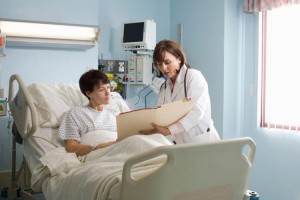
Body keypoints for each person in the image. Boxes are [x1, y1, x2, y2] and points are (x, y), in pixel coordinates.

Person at [140, 39, 220, 144]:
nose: (163, 68)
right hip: (180, 143)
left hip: (201, 140)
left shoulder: (193, 76)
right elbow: (160, 115)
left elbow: (197, 112)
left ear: (178, 59)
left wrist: (168, 131)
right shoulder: (164, 88)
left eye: (167, 62)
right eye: (159, 64)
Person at [58, 69, 117, 156]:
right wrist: (98, 148)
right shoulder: (76, 113)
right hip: (97, 154)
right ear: (89, 94)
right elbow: (71, 147)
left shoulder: (113, 115)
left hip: (118, 149)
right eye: (101, 89)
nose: (108, 93)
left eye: (108, 87)